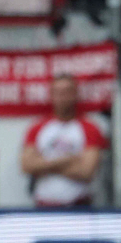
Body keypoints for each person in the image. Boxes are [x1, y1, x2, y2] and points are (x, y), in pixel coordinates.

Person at [20, 75, 106, 207]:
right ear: (52, 95)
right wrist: (68, 160)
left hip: (79, 206)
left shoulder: (90, 128)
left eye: (67, 92)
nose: (63, 97)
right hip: (44, 206)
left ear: (75, 94)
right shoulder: (37, 128)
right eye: (58, 92)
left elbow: (86, 171)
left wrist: (43, 166)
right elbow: (27, 166)